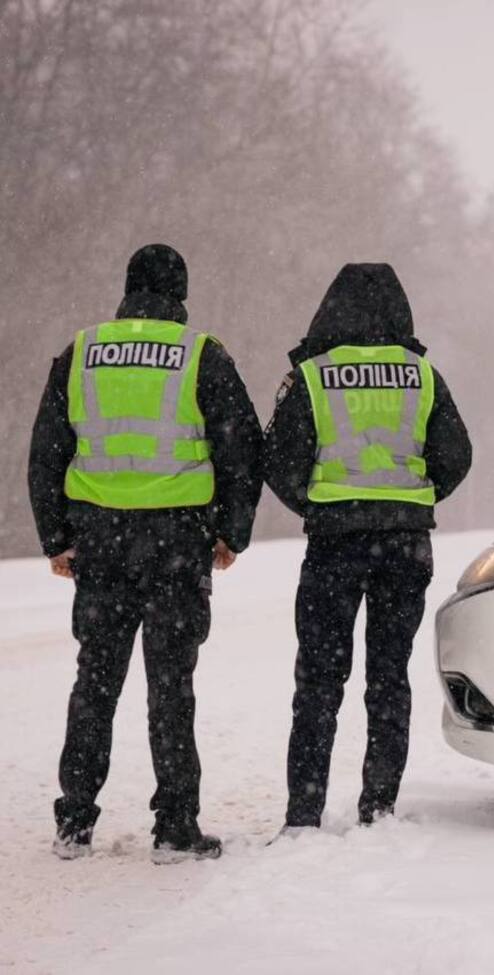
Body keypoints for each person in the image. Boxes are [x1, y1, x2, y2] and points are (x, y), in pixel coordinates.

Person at [27, 243, 263, 862]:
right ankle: (175, 828)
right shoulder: (199, 355)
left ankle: (74, 822)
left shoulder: (80, 352)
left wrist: (57, 536)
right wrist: (231, 531)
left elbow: (47, 449)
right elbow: (243, 449)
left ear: (127, 287)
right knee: (170, 688)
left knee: (94, 683)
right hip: (177, 545)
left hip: (100, 541)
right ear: (179, 293)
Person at [263, 263, 471, 830]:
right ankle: (378, 807)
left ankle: (304, 813)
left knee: (319, 681)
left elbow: (276, 460)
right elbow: (457, 456)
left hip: (334, 545)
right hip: (404, 548)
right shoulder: (421, 374)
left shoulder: (314, 375)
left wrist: (318, 505)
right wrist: (412, 500)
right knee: (388, 678)